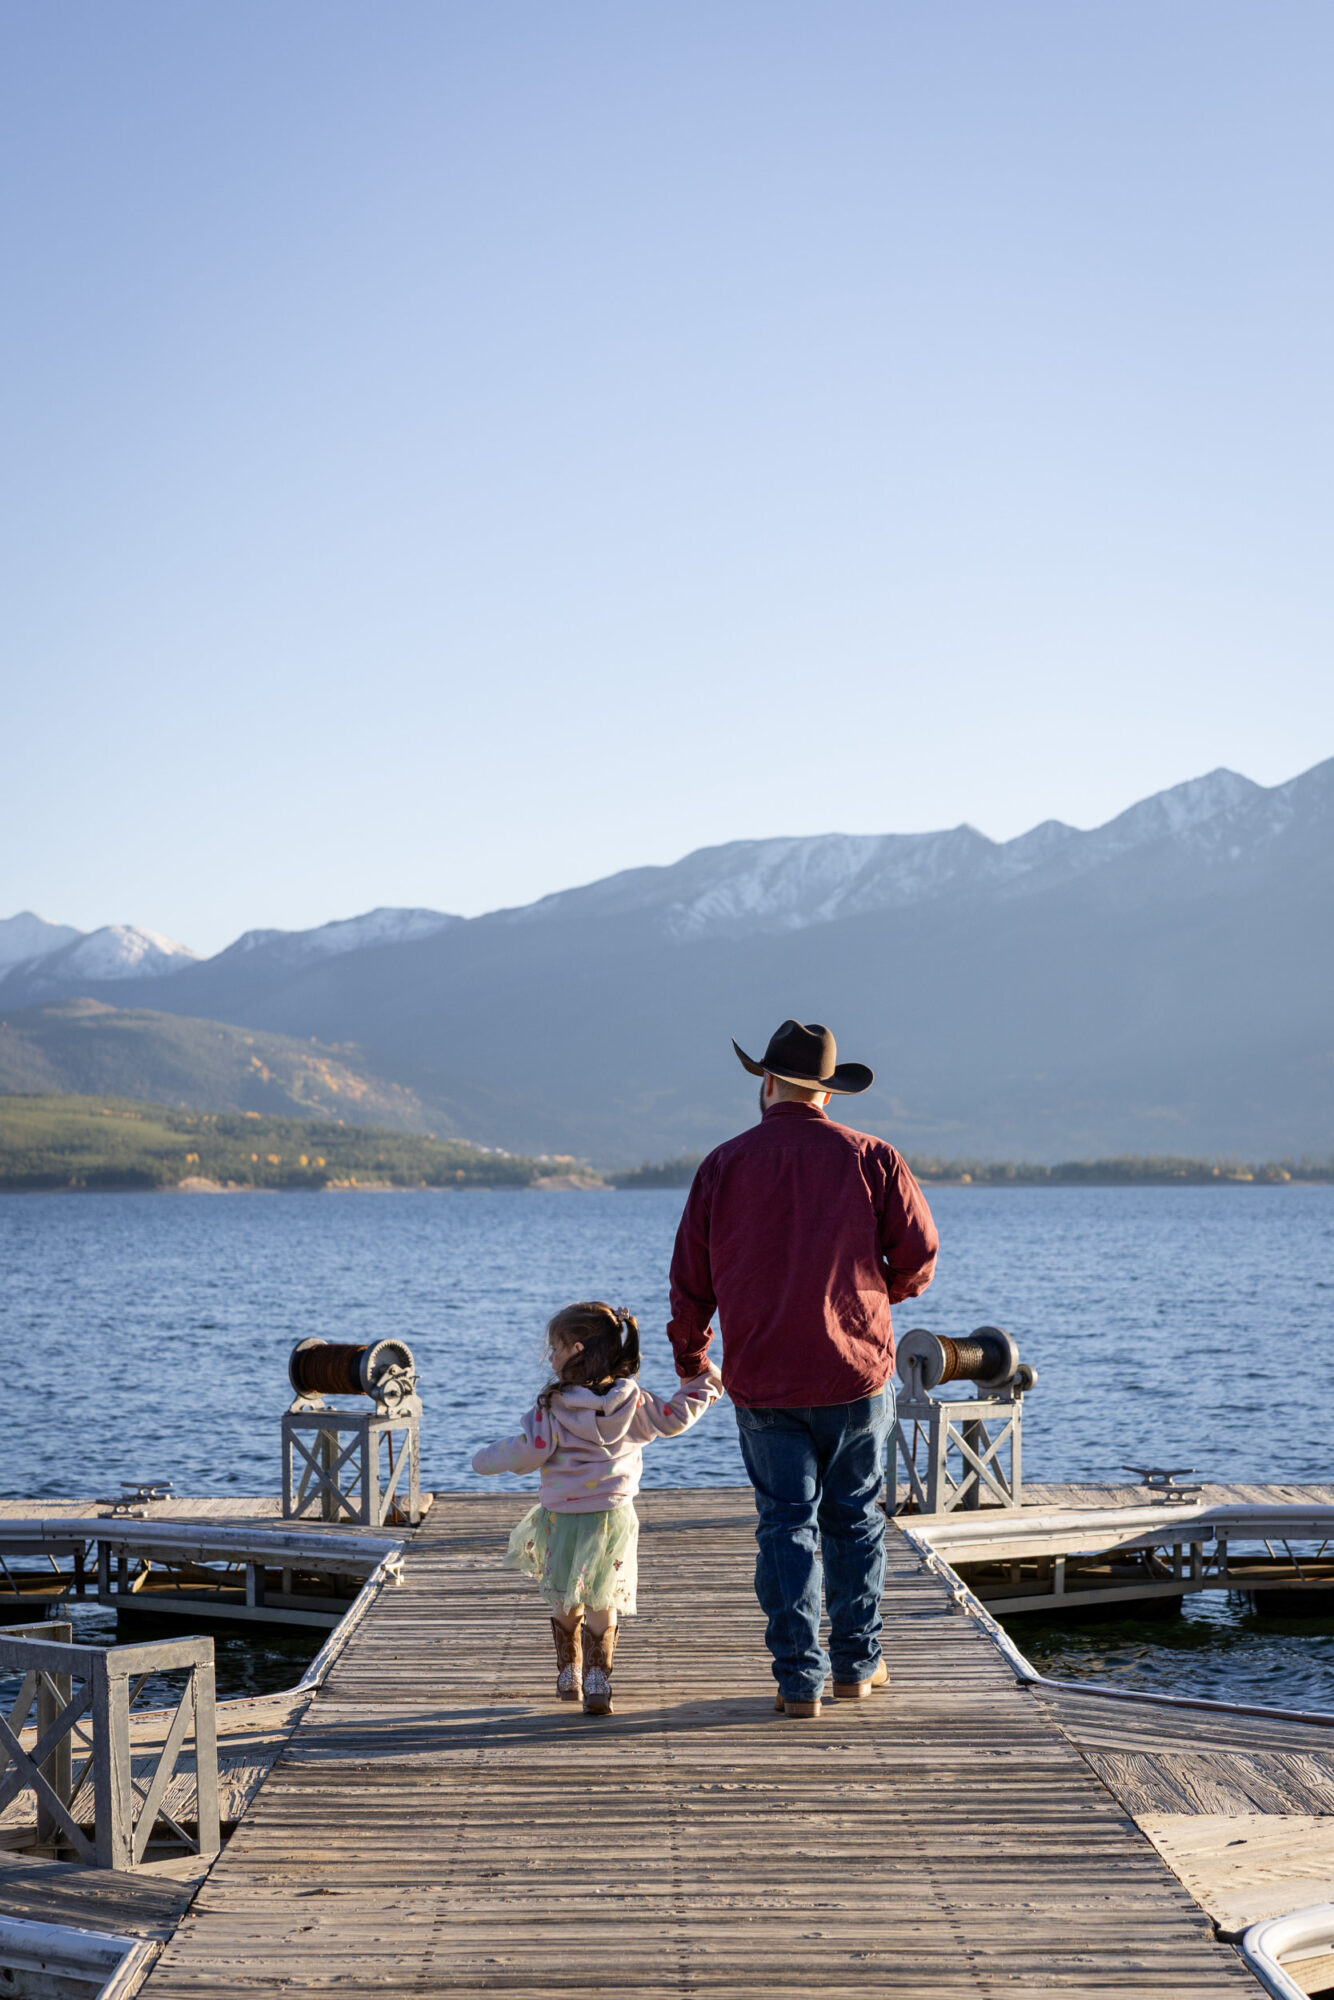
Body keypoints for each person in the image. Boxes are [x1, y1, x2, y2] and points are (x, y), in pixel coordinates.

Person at [667, 1020, 938, 1719]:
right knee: (855, 1521)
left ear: (767, 1083)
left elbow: (690, 1280)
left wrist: (694, 1359)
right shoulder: (874, 1157)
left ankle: (798, 1681)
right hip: (855, 1373)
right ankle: (857, 1666)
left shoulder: (723, 1164)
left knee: (785, 1527)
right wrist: (873, 1293)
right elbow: (919, 1256)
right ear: (828, 1092)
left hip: (763, 1379)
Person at [472, 1300, 721, 1715]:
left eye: (554, 1347)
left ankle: (569, 1672)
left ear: (576, 1349)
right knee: (603, 1597)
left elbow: (528, 1451)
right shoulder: (634, 1403)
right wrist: (707, 1382)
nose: (550, 1356)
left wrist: (483, 1460)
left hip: (562, 1518)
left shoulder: (554, 1407)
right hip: (613, 1519)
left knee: (563, 1593)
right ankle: (598, 1681)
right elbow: (676, 1417)